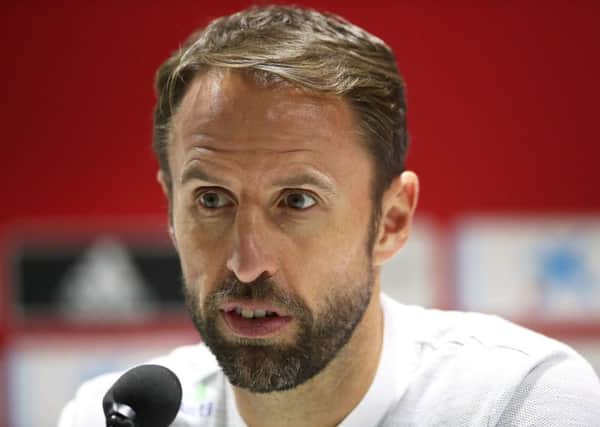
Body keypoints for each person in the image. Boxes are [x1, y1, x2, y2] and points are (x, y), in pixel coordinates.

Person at [59, 5, 600, 426]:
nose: (247, 264)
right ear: (171, 210)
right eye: (212, 200)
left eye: (296, 201)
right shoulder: (115, 416)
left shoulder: (519, 403)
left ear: (390, 221)